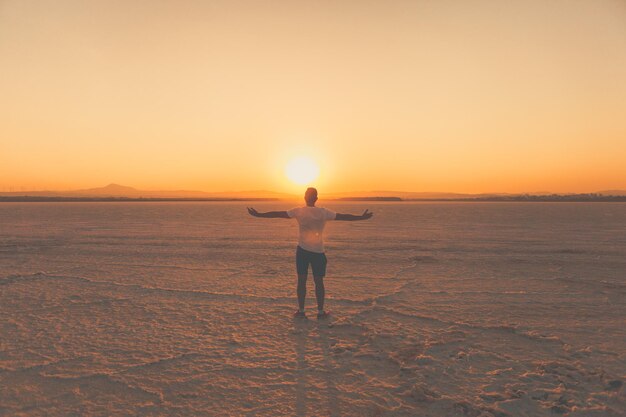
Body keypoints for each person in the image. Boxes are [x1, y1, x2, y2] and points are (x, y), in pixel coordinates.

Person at [247, 187, 373, 319]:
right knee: (319, 282)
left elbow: (278, 213)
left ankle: (301, 311)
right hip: (318, 252)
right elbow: (344, 217)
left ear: (305, 197)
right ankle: (320, 312)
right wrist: (361, 217)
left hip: (302, 251)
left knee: (301, 281)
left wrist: (259, 214)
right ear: (316, 198)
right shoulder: (323, 212)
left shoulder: (299, 211)